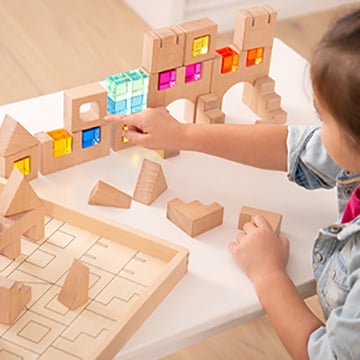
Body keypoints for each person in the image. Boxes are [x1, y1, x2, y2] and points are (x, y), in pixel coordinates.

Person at [105, 8, 360, 359]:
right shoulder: (352, 150)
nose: (317, 128)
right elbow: (296, 148)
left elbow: (327, 355)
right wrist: (180, 133)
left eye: (323, 118)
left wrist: (268, 274)